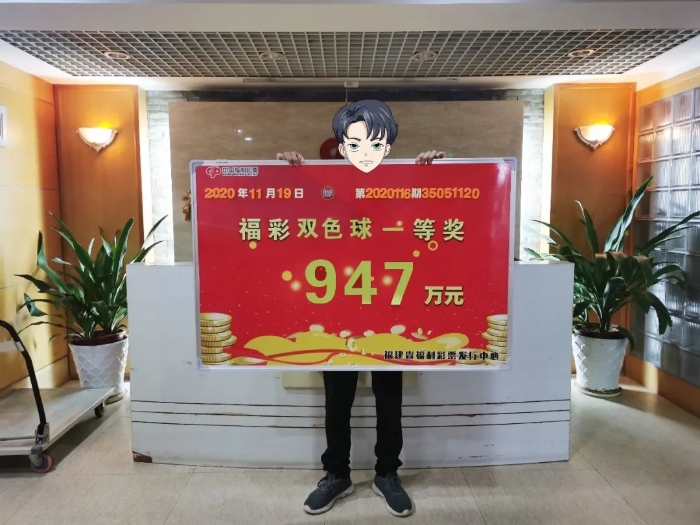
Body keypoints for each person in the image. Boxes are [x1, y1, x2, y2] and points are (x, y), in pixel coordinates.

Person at [276, 100, 444, 518]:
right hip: (336, 313)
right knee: (337, 401)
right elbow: (289, 222)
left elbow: (434, 226)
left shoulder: (400, 187)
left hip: (388, 314)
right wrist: (283, 172)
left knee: (389, 399)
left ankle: (387, 474)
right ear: (341, 146)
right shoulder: (325, 187)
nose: (364, 150)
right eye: (354, 143)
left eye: (375, 142)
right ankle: (337, 474)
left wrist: (435, 173)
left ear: (387, 146)